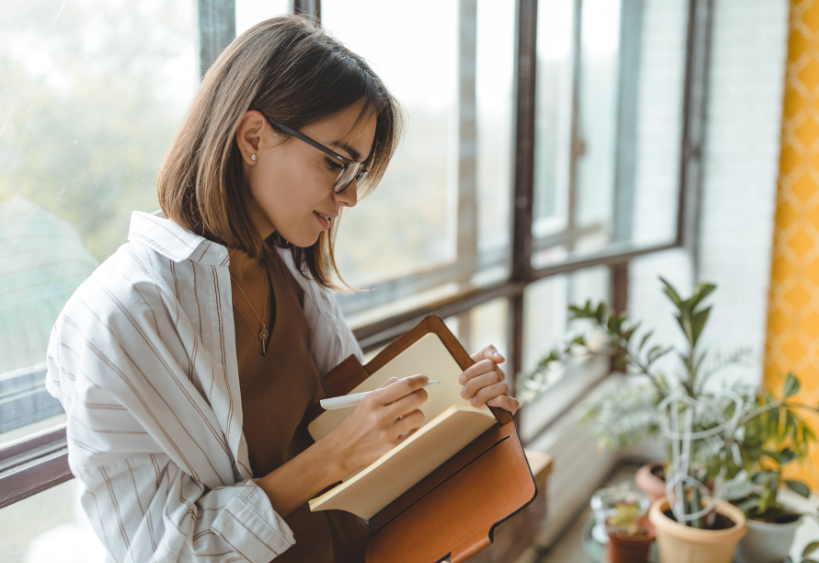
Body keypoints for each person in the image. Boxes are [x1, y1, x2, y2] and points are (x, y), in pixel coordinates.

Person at [45, 15, 519, 563]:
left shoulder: (290, 275)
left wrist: (457, 403)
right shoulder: (119, 316)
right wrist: (332, 460)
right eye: (336, 162)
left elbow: (360, 430)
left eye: (356, 171)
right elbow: (166, 553)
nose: (350, 197)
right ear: (253, 136)